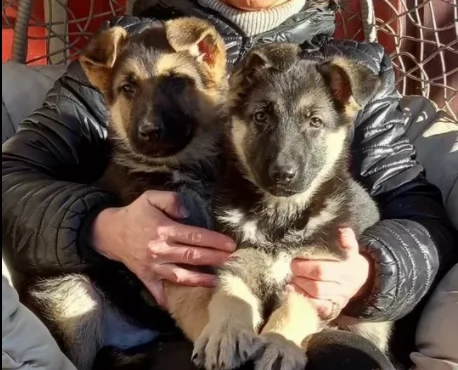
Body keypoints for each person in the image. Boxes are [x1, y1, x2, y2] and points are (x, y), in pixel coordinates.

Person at [2, 0, 457, 368]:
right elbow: (11, 180)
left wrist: (372, 272)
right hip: (154, 322)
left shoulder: (351, 66)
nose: (152, 117)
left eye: (179, 83)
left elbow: (417, 211)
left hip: (294, 318)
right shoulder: (134, 45)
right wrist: (101, 227)